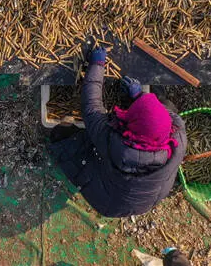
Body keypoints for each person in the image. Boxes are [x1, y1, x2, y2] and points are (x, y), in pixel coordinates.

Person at [48, 46, 187, 218]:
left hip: (109, 201)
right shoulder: (177, 135)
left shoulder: (118, 147)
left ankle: (73, 158)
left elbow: (91, 106)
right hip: (147, 199)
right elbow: (161, 115)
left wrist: (97, 65)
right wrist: (138, 96)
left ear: (133, 131)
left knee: (62, 137)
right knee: (167, 104)